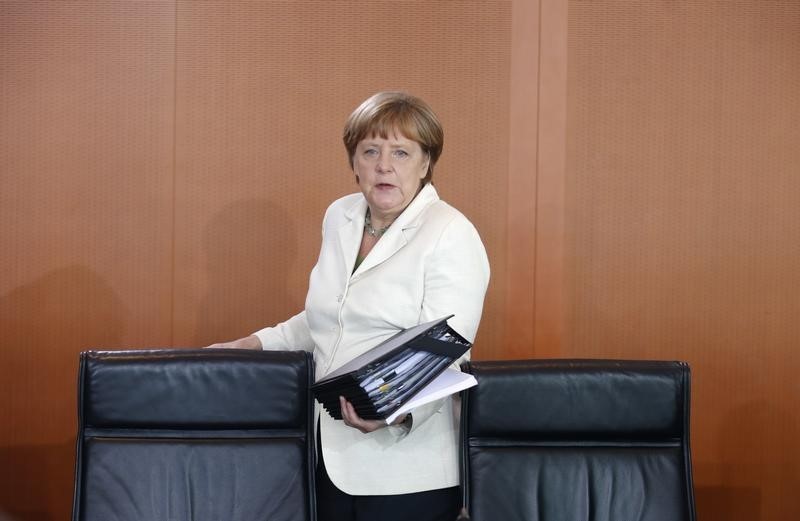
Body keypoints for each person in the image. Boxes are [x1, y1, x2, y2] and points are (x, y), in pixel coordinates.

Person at [210, 91, 490, 521]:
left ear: (426, 162)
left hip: (405, 466)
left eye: (401, 152)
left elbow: (446, 352)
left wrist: (394, 414)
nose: (384, 165)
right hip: (326, 453)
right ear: (353, 161)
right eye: (370, 151)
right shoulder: (340, 216)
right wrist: (256, 343)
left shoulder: (450, 232)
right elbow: (330, 317)